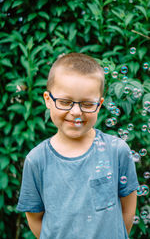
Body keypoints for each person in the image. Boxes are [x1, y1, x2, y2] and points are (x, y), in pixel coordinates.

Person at [17, 53, 139, 239]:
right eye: (65, 102)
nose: (76, 112)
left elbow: (128, 209)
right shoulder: (37, 160)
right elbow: (34, 218)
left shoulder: (117, 151)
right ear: (48, 100)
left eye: (87, 104)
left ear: (99, 105)